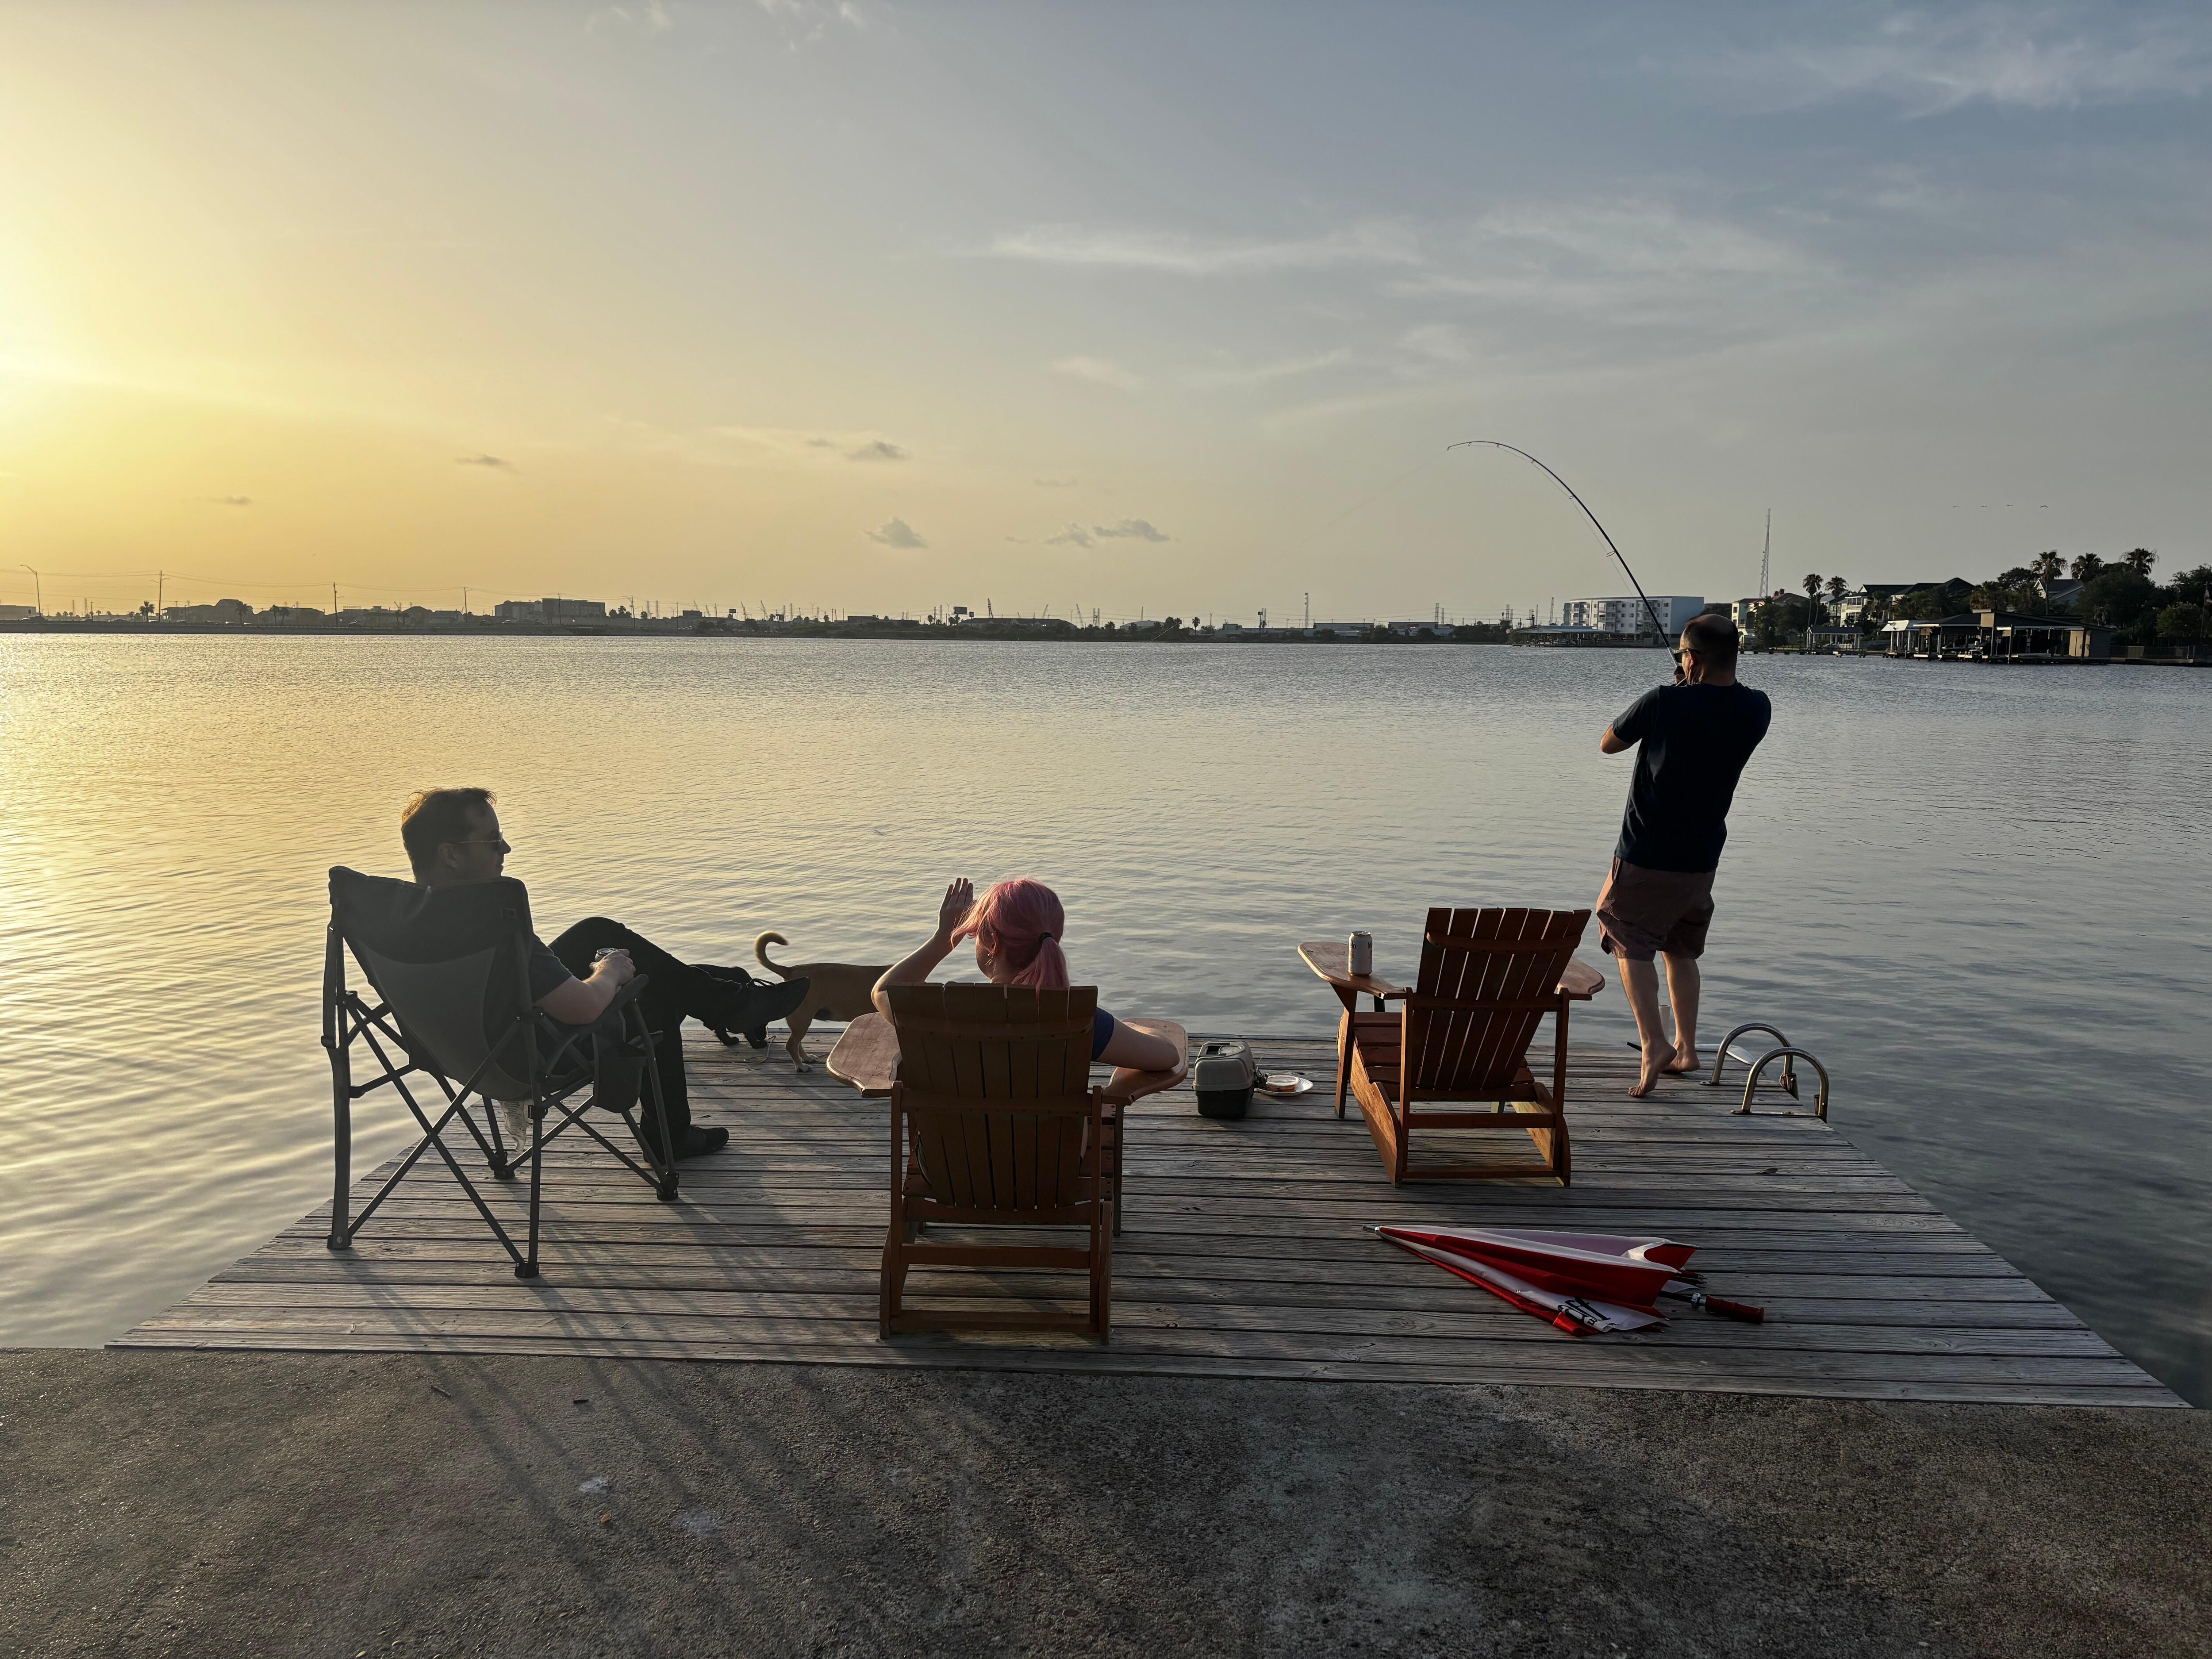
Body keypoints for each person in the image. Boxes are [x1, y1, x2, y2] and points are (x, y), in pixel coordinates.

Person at [400, 787, 809, 1159]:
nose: (506, 848)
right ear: (450, 854)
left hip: (452, 1052)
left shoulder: (400, 919)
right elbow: (584, 1008)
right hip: (523, 1056)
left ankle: (727, 1001)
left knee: (595, 932)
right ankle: (676, 1123)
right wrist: (609, 971)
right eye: (492, 840)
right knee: (651, 994)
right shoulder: (495, 925)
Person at [1595, 613, 1770, 1098]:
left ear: (1689, 657)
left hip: (1646, 850)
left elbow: (1609, 743)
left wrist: (1673, 693)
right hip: (1702, 856)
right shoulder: (1757, 709)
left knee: (1624, 933)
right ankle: (1687, 1048)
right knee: (1679, 947)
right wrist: (1686, 688)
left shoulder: (1661, 701)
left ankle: (1654, 1044)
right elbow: (1713, 712)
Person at [872, 876, 1181, 1080]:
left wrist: (944, 937)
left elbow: (883, 992)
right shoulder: (1074, 1015)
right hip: (1055, 1165)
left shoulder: (943, 1010)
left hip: (948, 1168)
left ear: (992, 943)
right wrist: (1126, 1027)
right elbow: (1166, 1055)